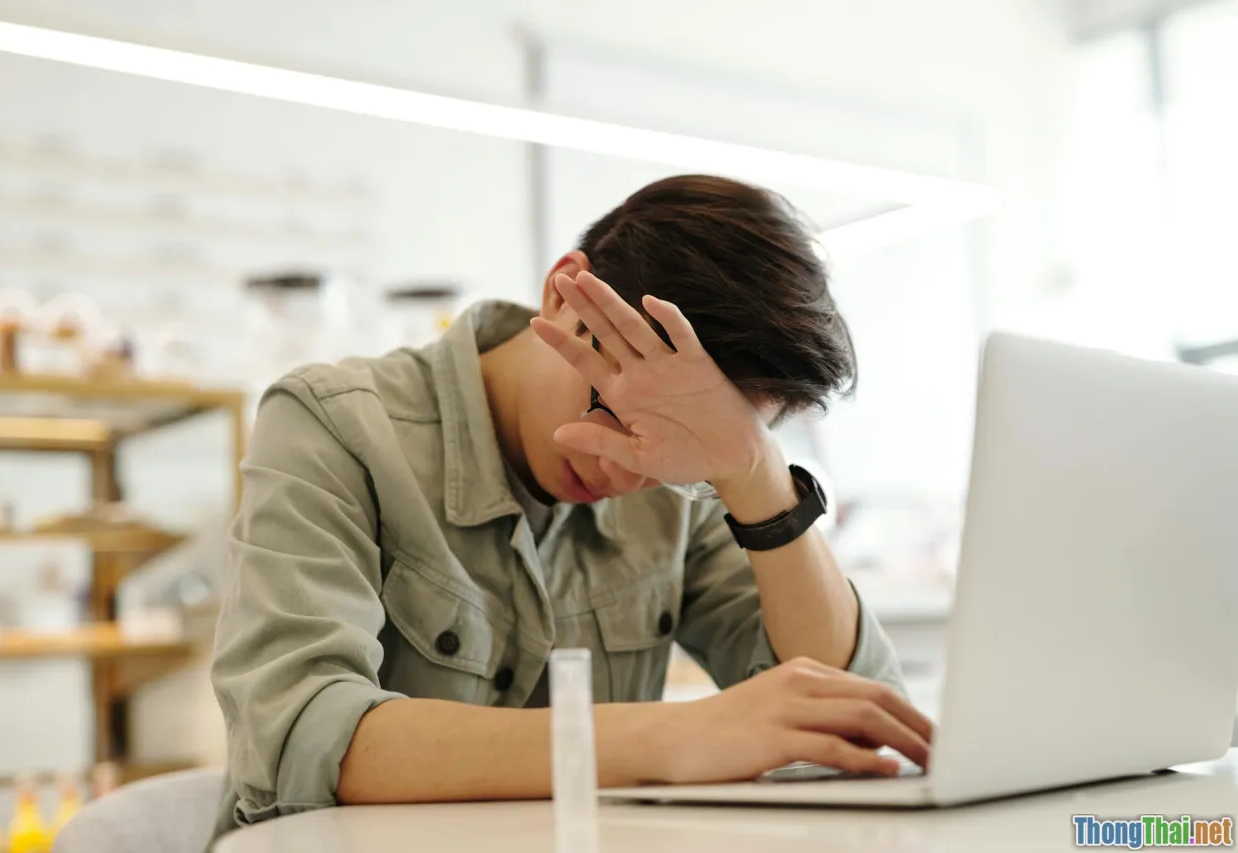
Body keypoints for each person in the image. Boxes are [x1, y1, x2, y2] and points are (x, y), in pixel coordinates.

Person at [209, 174, 933, 840]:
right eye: (615, 407)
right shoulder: (333, 424)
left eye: (681, 449)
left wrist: (755, 473)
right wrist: (671, 737)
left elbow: (856, 717)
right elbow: (298, 734)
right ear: (564, 294)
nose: (626, 467)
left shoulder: (691, 479)